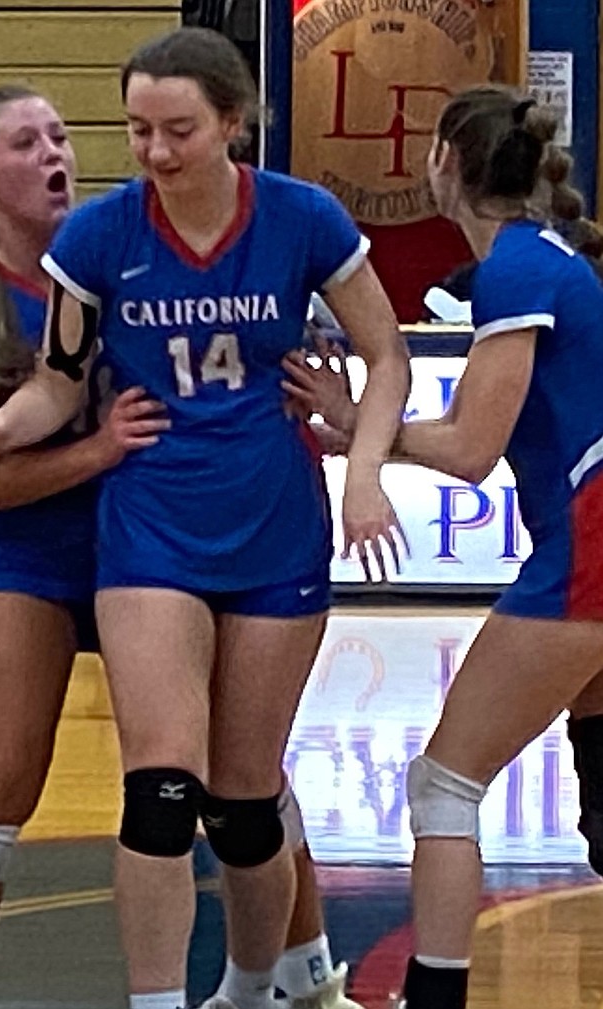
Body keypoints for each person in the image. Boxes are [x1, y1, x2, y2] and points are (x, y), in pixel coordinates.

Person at [0, 27, 409, 1009]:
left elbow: (387, 353)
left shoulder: (301, 218)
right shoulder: (99, 236)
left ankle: (249, 989)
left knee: (243, 797)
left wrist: (363, 470)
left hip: (274, 522)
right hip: (150, 526)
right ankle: (152, 1001)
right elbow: (58, 386)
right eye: (138, 129)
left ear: (231, 122)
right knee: (159, 789)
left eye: (177, 129)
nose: (152, 150)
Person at [284, 85, 603, 1009]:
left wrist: (359, 431)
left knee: (443, 787)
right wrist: (362, 435)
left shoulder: (515, 272)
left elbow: (470, 448)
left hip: (586, 545)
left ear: (445, 163)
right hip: (585, 536)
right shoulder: (545, 258)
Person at [0, 84, 168, 1009]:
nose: (57, 151)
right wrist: (92, 451)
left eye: (61, 132)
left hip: (150, 541)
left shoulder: (121, 257)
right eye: (26, 140)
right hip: (20, 551)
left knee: (229, 783)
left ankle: (298, 976)